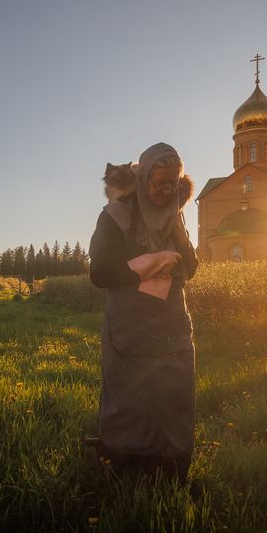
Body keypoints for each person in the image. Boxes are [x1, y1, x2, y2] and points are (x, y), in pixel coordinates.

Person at [87, 142, 198, 482]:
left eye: (172, 183)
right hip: (129, 327)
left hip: (170, 325)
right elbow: (100, 273)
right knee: (128, 396)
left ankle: (171, 466)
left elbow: (191, 267)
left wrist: (173, 259)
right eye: (158, 182)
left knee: (173, 392)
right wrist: (145, 266)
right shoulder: (116, 216)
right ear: (143, 178)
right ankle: (123, 463)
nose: (166, 191)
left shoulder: (174, 215)